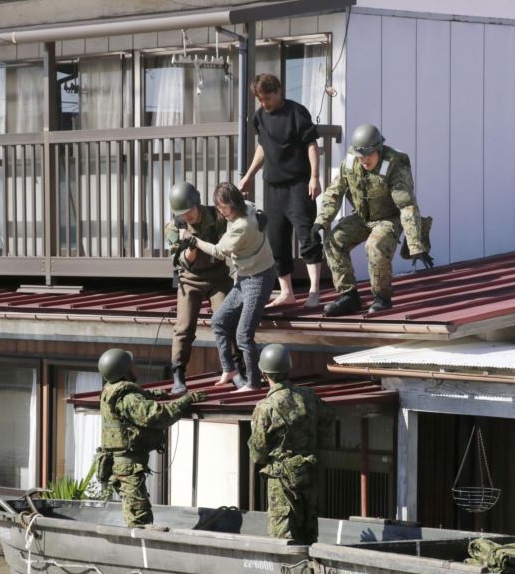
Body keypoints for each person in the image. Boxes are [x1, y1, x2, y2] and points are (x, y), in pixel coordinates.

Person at [314, 123, 434, 316]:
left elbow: (407, 206)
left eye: (368, 155)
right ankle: (348, 296)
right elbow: (334, 192)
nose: (364, 160)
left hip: (389, 218)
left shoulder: (394, 165)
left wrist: (415, 244)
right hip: (362, 217)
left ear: (378, 149)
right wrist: (322, 220)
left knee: (375, 246)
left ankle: (382, 298)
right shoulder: (350, 163)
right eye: (360, 156)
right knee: (333, 241)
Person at [96, 348, 207, 530]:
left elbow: (134, 406)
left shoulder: (110, 390)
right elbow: (157, 416)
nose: (136, 368)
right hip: (128, 465)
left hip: (121, 462)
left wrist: (150, 395)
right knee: (139, 517)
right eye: (132, 365)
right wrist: (186, 400)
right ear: (125, 371)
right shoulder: (127, 396)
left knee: (136, 509)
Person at [238, 73, 323, 309]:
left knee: (307, 236)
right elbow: (263, 148)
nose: (264, 103)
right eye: (260, 99)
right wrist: (249, 175)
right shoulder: (260, 117)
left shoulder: (296, 112)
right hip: (273, 187)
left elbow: (311, 145)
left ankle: (314, 291)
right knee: (276, 240)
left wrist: (315, 177)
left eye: (267, 98)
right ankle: (287, 293)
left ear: (278, 91)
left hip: (298, 184)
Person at [182, 183, 276, 391]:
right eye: (219, 207)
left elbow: (218, 251)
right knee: (218, 321)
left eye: (224, 207)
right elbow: (256, 207)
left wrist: (193, 240)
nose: (222, 212)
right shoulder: (247, 206)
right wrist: (262, 215)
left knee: (243, 335)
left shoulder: (242, 225)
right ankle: (229, 369)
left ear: (234, 204)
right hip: (243, 278)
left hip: (259, 279)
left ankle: (253, 383)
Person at [247, 344, 336, 543]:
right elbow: (329, 418)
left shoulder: (265, 407)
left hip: (282, 481)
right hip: (309, 473)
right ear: (288, 369)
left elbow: (258, 453)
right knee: (308, 536)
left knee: (283, 539)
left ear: (264, 374)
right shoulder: (308, 396)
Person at [165, 182, 233, 395]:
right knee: (184, 328)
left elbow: (236, 230)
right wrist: (191, 247)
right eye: (182, 213)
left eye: (190, 211)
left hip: (218, 277)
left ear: (198, 203)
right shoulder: (174, 227)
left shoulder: (217, 216)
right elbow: (183, 261)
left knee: (226, 319)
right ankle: (178, 373)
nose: (187, 216)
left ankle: (235, 368)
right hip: (191, 279)